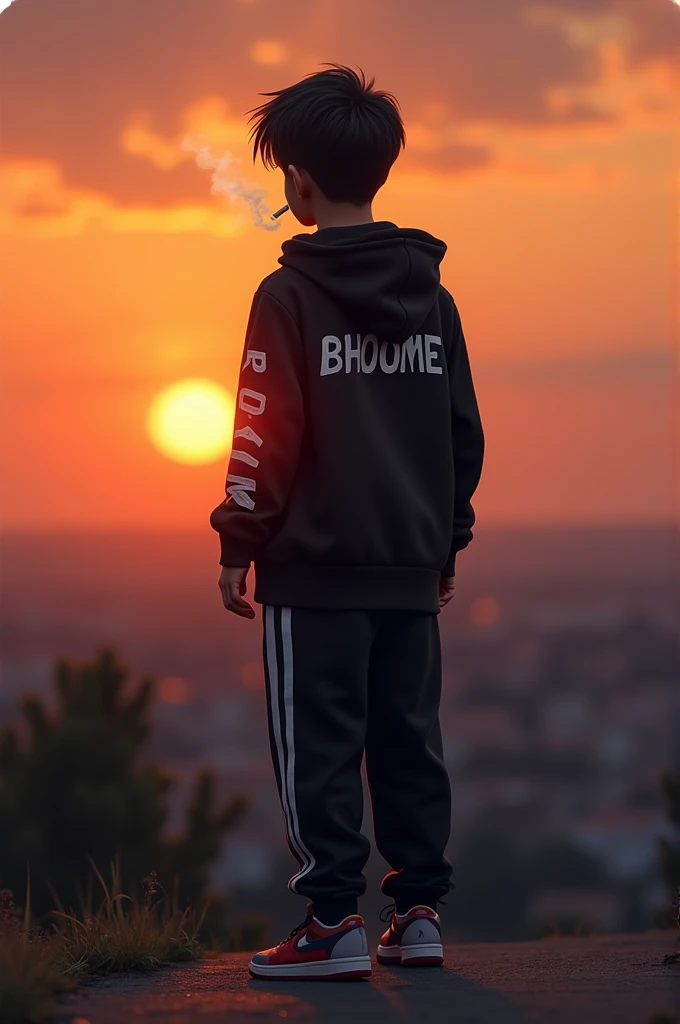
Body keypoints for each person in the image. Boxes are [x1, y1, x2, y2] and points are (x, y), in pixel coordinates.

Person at [210, 63, 485, 981]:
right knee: (411, 738)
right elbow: (460, 429)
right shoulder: (432, 298)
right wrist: (446, 539)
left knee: (318, 745)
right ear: (380, 169)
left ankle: (331, 922)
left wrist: (238, 540)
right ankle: (417, 914)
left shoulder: (285, 297)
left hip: (315, 569)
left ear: (297, 182)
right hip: (411, 565)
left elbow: (261, 432)